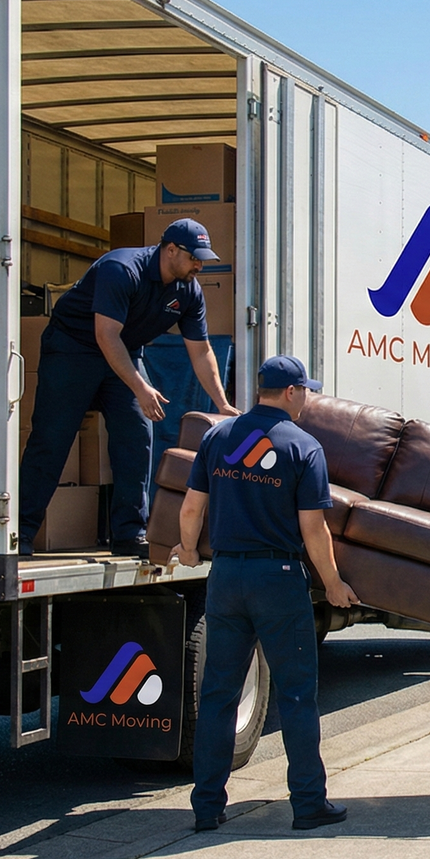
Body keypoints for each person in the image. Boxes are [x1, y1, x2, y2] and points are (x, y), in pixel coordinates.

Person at [171, 355, 359, 833]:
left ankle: (207, 807)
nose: (307, 398)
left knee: (218, 694)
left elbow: (192, 508)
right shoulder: (304, 446)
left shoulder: (217, 437)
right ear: (291, 392)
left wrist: (188, 550)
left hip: (226, 576)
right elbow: (313, 530)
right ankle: (308, 804)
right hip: (278, 577)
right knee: (296, 694)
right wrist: (333, 583)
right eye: (306, 391)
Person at [21, 219, 240, 558]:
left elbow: (201, 351)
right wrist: (141, 387)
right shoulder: (121, 269)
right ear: (170, 250)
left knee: (137, 437)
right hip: (73, 349)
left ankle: (128, 534)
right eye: (194, 258)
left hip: (124, 351)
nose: (199, 266)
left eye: (202, 259)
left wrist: (222, 404)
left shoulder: (188, 291)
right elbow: (105, 335)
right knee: (52, 440)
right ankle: (21, 532)